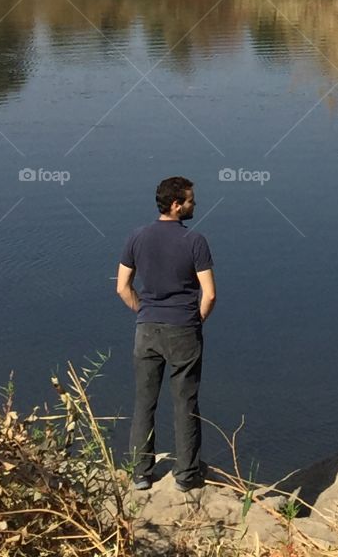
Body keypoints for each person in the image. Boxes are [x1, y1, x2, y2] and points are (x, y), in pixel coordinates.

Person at [116, 176, 216, 492]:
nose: (194, 204)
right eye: (190, 200)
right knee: (185, 402)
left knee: (144, 402)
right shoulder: (195, 241)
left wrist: (143, 312)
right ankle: (186, 475)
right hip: (183, 330)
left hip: (145, 330)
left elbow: (121, 287)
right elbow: (210, 294)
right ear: (176, 205)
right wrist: (194, 320)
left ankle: (141, 474)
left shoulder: (136, 237)